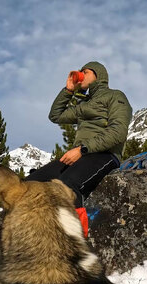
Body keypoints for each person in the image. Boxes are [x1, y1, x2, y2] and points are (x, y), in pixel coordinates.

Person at [26, 61, 133, 211]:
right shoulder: (84, 104)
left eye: (85, 72)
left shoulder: (115, 96)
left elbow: (118, 132)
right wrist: (68, 91)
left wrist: (82, 149)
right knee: (29, 184)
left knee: (67, 184)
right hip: (81, 155)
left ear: (98, 75)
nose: (80, 75)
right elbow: (56, 115)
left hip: (104, 154)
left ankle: (76, 233)